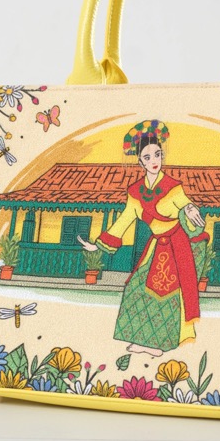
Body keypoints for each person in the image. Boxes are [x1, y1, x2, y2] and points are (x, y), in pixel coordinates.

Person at [78, 121, 208, 357]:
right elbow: (124, 220)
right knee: (135, 288)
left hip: (176, 246)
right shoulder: (135, 192)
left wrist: (189, 209)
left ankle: (160, 344)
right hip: (156, 246)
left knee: (167, 293)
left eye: (157, 154)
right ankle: (140, 340)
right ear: (140, 162)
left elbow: (185, 205)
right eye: (147, 157)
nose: (154, 160)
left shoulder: (173, 187)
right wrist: (97, 245)